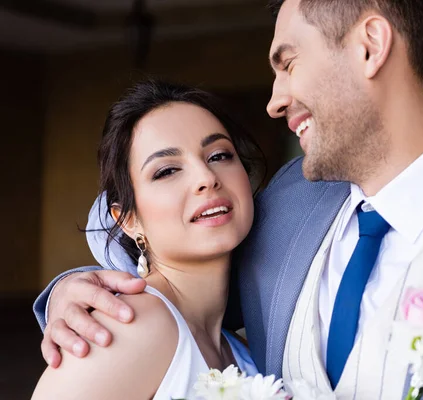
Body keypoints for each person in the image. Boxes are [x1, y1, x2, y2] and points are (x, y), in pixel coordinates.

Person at [35, 0, 423, 398]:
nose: (275, 101)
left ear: (370, 46)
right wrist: (75, 293)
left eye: (287, 62)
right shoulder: (286, 208)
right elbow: (173, 289)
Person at [32, 80, 261, 399]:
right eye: (166, 171)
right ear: (129, 220)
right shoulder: (132, 326)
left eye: (219, 155)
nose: (206, 179)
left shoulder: (239, 347)